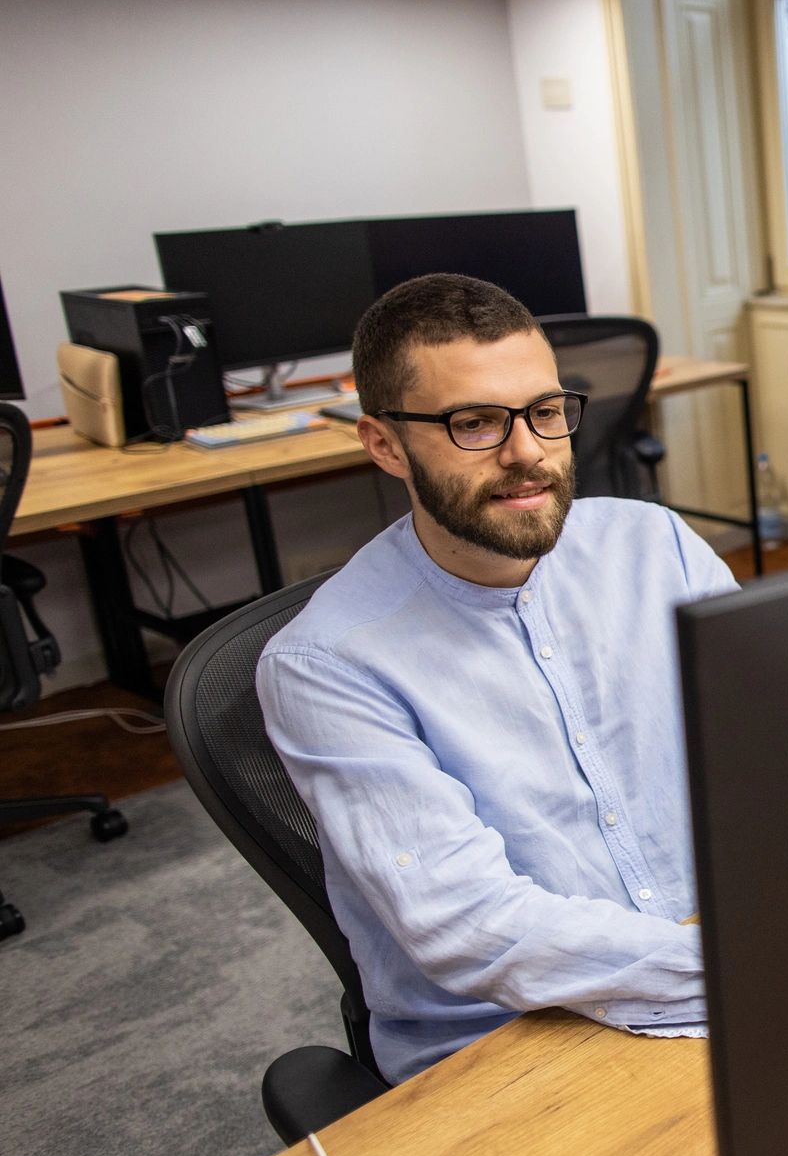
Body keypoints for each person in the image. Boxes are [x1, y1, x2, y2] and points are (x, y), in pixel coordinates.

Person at [259, 273, 739, 1081]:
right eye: (473, 423)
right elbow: (471, 926)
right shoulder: (326, 665)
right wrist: (738, 969)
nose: (528, 454)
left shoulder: (654, 546)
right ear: (384, 445)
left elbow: (779, 743)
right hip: (513, 1045)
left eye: (545, 412)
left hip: (713, 956)